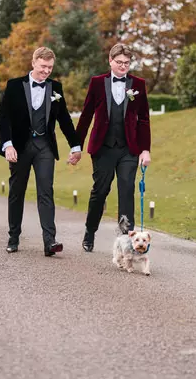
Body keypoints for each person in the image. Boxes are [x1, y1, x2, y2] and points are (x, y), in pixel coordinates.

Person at [0, 46, 82, 256]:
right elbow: (3, 117)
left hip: (44, 146)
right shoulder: (14, 85)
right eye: (43, 66)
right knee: (17, 192)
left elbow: (64, 120)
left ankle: (49, 241)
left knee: (46, 191)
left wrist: (76, 146)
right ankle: (13, 237)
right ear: (34, 62)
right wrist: (7, 144)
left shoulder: (56, 88)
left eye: (50, 68)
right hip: (20, 147)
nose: (46, 71)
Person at [75, 43, 151, 252]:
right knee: (100, 191)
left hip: (129, 148)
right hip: (103, 148)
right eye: (119, 63)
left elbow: (144, 119)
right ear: (110, 61)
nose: (123, 67)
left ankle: (126, 241)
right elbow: (86, 115)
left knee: (126, 190)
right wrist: (76, 146)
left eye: (126, 63)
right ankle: (90, 232)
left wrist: (145, 150)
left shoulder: (138, 84)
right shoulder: (98, 83)